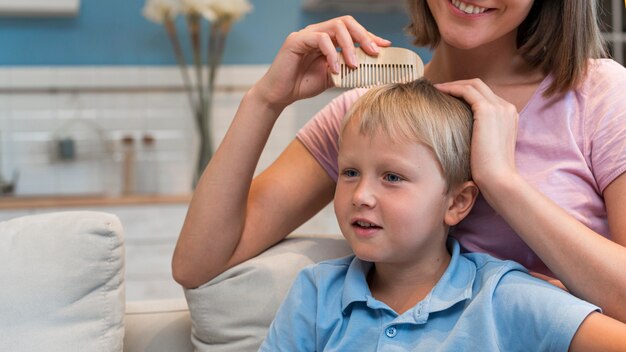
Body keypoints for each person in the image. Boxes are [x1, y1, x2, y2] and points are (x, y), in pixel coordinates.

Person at [173, 0, 626, 322]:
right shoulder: (370, 114)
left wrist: (500, 181)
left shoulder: (601, 95)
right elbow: (198, 264)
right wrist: (266, 99)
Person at [259, 79, 626, 351]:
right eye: (350, 172)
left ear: (457, 203)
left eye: (392, 177)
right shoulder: (315, 294)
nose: (361, 195)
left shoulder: (504, 297)